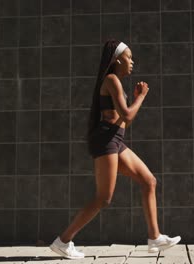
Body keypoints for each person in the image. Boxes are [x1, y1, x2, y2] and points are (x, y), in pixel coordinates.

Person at [49, 39, 181, 259]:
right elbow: (127, 117)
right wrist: (140, 97)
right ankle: (63, 241)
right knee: (103, 198)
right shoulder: (111, 79)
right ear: (117, 59)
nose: (132, 62)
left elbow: (122, 118)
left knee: (149, 181)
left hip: (116, 141)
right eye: (129, 57)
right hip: (107, 140)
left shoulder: (115, 81)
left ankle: (154, 236)